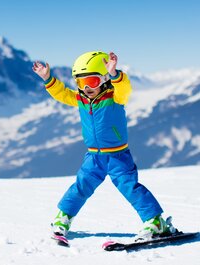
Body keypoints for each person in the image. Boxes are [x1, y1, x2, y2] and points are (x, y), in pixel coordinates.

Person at [32, 51, 174, 241]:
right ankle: (63, 217)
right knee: (81, 186)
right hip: (93, 157)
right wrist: (48, 78)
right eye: (81, 83)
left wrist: (115, 74)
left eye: (92, 81)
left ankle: (155, 221)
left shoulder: (115, 97)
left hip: (118, 156)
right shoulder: (81, 99)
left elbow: (124, 88)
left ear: (104, 79)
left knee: (129, 187)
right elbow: (62, 94)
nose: (86, 87)